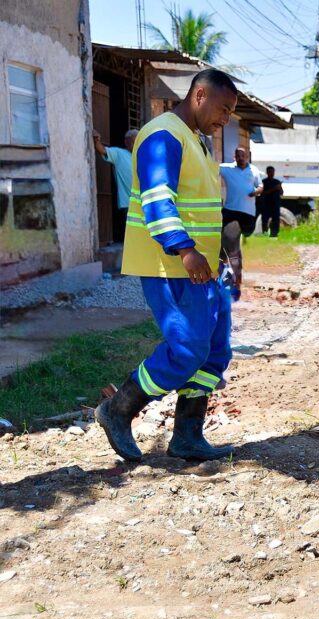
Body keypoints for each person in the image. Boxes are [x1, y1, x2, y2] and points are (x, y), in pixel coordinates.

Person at [96, 68, 239, 463]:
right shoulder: (164, 135)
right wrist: (184, 248)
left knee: (213, 350)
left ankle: (188, 436)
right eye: (223, 109)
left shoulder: (196, 141)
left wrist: (225, 254)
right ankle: (118, 409)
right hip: (172, 265)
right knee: (187, 348)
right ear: (199, 95)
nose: (225, 120)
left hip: (203, 269)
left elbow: (203, 208)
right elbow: (159, 199)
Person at [92, 128, 139, 241]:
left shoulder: (141, 157)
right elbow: (103, 150)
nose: (134, 144)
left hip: (143, 203)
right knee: (133, 234)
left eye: (136, 141)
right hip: (128, 203)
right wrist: (96, 141)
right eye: (132, 141)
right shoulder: (119, 154)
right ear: (126, 143)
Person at [220, 146, 262, 237]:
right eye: (238, 156)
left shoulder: (253, 170)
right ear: (234, 157)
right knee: (221, 232)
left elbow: (260, 186)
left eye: (243, 156)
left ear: (247, 157)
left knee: (247, 235)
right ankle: (223, 249)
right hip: (230, 208)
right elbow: (211, 168)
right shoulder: (227, 168)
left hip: (247, 210)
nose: (241, 158)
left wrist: (256, 192)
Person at [260, 165, 283, 237]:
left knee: (276, 219)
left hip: (275, 203)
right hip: (267, 203)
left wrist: (279, 188)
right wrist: (274, 189)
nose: (272, 173)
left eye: (273, 172)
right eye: (270, 172)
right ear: (267, 172)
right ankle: (265, 232)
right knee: (265, 220)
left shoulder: (277, 181)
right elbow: (263, 193)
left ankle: (274, 233)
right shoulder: (264, 182)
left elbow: (282, 193)